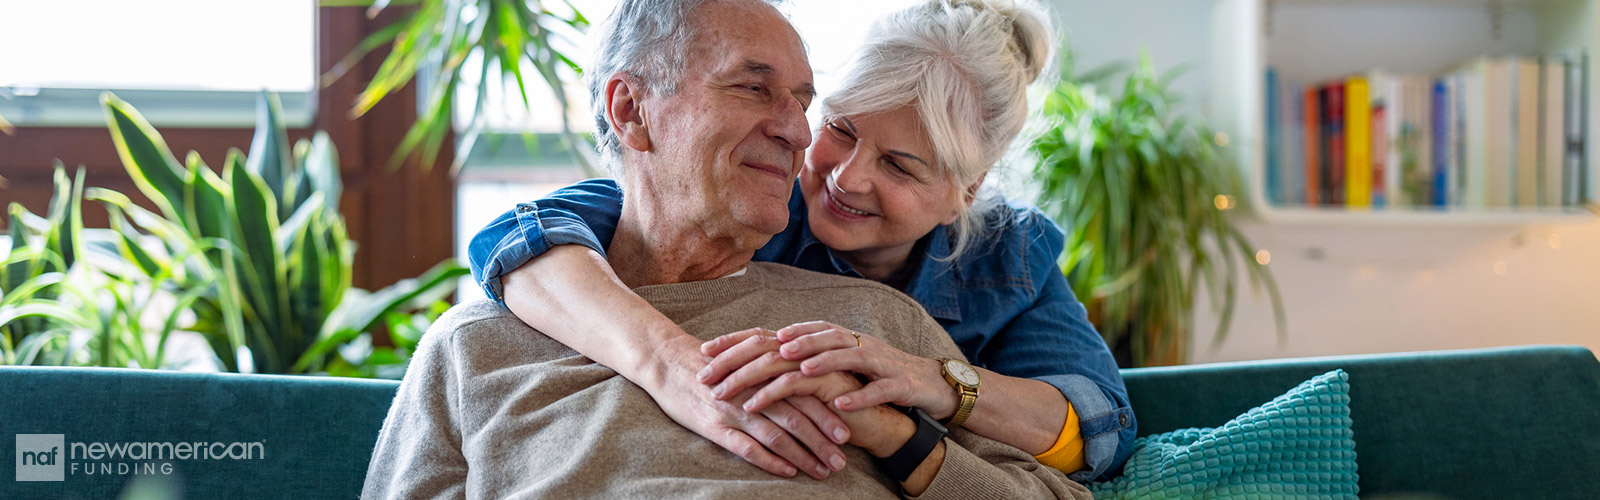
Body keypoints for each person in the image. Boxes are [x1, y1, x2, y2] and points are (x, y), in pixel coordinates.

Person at [362, 0, 1090, 497]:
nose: (808, 142)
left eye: (803, 101)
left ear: (963, 192)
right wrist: (671, 363)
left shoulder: (883, 333)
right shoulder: (479, 344)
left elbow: (1091, 438)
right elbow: (526, 233)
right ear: (631, 110)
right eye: (754, 88)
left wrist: (901, 429)